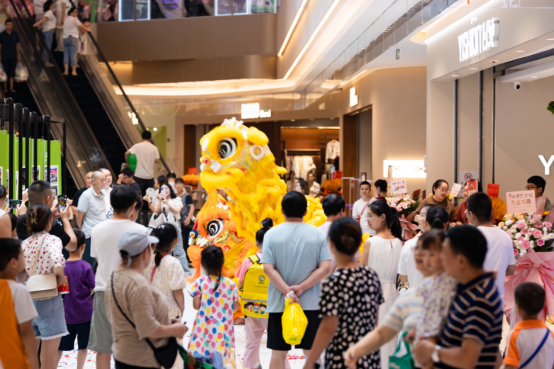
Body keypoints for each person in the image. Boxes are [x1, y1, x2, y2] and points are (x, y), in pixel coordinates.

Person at [413, 225, 503, 369]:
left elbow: (467, 359)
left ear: (461, 261)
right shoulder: (467, 288)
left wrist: (431, 351)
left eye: (444, 253)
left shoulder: (480, 298)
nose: (441, 258)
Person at [261, 191, 331, 369]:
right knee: (311, 352)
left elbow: (268, 268)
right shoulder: (318, 234)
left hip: (279, 303)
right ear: (306, 211)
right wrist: (300, 288)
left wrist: (287, 291)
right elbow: (325, 267)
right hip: (310, 303)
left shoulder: (271, 235)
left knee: (278, 352)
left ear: (282, 210)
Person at [304, 218, 383, 369]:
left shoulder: (334, 282)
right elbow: (375, 320)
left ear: (331, 244)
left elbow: (328, 328)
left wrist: (310, 360)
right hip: (368, 354)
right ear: (360, 242)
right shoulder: (371, 275)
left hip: (342, 355)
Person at [343, 237, 432, 369]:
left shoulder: (448, 294)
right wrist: (357, 351)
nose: (418, 255)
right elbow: (384, 331)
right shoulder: (410, 296)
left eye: (428, 253)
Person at [106, 231, 188, 369]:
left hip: (122, 352)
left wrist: (166, 322)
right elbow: (148, 330)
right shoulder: (137, 284)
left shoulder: (114, 276)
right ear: (144, 253)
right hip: (140, 358)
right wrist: (175, 331)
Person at [88, 185, 147, 369]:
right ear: (133, 206)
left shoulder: (97, 229)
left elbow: (98, 258)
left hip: (104, 291)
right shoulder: (141, 231)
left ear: (111, 203)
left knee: (103, 349)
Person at [22, 204, 67, 369]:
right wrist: (61, 279)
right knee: (48, 359)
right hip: (47, 298)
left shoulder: (23, 244)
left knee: (30, 357)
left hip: (27, 302)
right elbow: (58, 262)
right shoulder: (52, 240)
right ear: (48, 221)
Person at [360, 200, 403, 368]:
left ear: (383, 217)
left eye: (370, 216)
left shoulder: (371, 242)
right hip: (392, 294)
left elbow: (361, 274)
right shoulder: (399, 242)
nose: (367, 220)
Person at [143, 223, 186, 369]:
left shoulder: (145, 260)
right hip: (170, 313)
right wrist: (182, 309)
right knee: (172, 352)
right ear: (175, 241)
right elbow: (178, 291)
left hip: (149, 311)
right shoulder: (174, 263)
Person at [237, 218, 276, 369]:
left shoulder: (249, 261)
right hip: (272, 307)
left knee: (251, 345)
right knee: (278, 347)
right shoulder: (276, 261)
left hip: (252, 308)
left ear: (256, 242)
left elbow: (240, 285)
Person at [190, 246, 239, 363]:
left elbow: (196, 306)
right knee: (223, 360)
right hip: (224, 331)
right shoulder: (230, 283)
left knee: (202, 358)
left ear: (203, 263)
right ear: (222, 262)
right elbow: (236, 307)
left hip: (203, 330)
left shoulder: (199, 282)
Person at [56, 229, 95, 369]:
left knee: (60, 347)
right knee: (83, 347)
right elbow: (91, 289)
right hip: (85, 314)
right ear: (84, 246)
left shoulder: (62, 267)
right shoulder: (86, 266)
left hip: (66, 314)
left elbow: (60, 291)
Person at [467, 192, 515, 302]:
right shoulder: (505, 236)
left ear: (471, 215)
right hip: (498, 299)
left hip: (473, 300)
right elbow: (511, 270)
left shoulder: (469, 236)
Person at [415, 228, 458, 349]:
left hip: (438, 339)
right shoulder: (427, 282)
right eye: (424, 253)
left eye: (431, 254)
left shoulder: (450, 282)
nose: (427, 259)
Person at [0, 238, 39, 369]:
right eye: (22, 255)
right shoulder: (18, 290)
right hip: (13, 361)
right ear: (13, 262)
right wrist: (34, 364)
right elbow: (26, 331)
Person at [16, 180, 77, 253]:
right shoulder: (53, 225)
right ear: (47, 199)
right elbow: (73, 246)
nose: (53, 199)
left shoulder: (20, 220)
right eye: (52, 197)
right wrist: (65, 219)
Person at [503, 283, 554, 369]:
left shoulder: (515, 335)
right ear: (543, 307)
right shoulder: (550, 335)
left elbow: (510, 366)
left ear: (518, 308)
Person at [149, 183, 190, 274]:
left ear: (170, 189)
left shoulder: (176, 199)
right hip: (164, 229)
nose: (165, 190)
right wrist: (160, 200)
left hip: (175, 227)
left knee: (178, 251)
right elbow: (158, 212)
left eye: (166, 188)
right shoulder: (160, 200)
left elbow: (177, 210)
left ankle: (186, 273)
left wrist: (167, 202)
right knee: (164, 250)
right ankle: (167, 271)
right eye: (162, 189)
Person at [398, 204, 436, 290]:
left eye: (422, 215)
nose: (418, 218)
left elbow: (403, 278)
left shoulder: (410, 245)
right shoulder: (447, 243)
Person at [77, 170, 106, 270]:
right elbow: (79, 216)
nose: (104, 182)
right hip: (90, 236)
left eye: (105, 180)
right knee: (89, 266)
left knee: (100, 267)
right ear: (93, 181)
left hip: (102, 235)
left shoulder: (104, 194)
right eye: (101, 180)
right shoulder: (86, 195)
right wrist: (82, 230)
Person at [125, 131, 161, 196]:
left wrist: (128, 163)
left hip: (139, 175)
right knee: (149, 196)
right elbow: (157, 160)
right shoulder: (154, 148)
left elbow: (126, 153)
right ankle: (148, 206)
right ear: (150, 138)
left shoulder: (137, 146)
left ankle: (139, 206)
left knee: (137, 195)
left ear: (141, 138)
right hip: (150, 176)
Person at [319, 194, 346, 276]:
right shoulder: (346, 231)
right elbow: (352, 260)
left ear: (324, 211)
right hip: (339, 281)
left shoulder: (316, 230)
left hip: (318, 281)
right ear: (341, 211)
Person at [62, 7, 90, 76]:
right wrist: (88, 29)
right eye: (75, 11)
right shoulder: (74, 19)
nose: (76, 13)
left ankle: (66, 71)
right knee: (73, 55)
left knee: (66, 55)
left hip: (65, 38)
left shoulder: (66, 19)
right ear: (70, 12)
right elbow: (81, 26)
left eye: (77, 12)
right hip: (72, 38)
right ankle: (73, 71)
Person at [175, 177, 194, 261]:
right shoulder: (174, 195)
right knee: (180, 240)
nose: (179, 185)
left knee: (186, 240)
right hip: (178, 221)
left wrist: (189, 218)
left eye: (180, 184)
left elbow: (192, 207)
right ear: (175, 185)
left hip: (186, 221)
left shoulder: (186, 196)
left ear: (183, 185)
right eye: (177, 184)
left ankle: (188, 259)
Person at [0, 19, 20, 93]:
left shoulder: (15, 34)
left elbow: (17, 45)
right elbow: (0, 45)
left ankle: (11, 88)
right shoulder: (2, 35)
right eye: (8, 25)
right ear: (5, 25)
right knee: (5, 72)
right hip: (4, 56)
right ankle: (5, 88)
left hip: (13, 56)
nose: (9, 26)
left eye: (11, 25)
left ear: (12, 25)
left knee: (12, 72)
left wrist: (18, 55)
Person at [32, 0, 55, 65]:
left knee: (46, 45)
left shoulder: (48, 12)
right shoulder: (49, 12)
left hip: (47, 29)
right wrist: (38, 23)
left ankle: (44, 60)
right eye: (53, 3)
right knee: (47, 46)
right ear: (51, 4)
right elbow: (45, 18)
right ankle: (45, 61)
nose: (54, 5)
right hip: (49, 30)